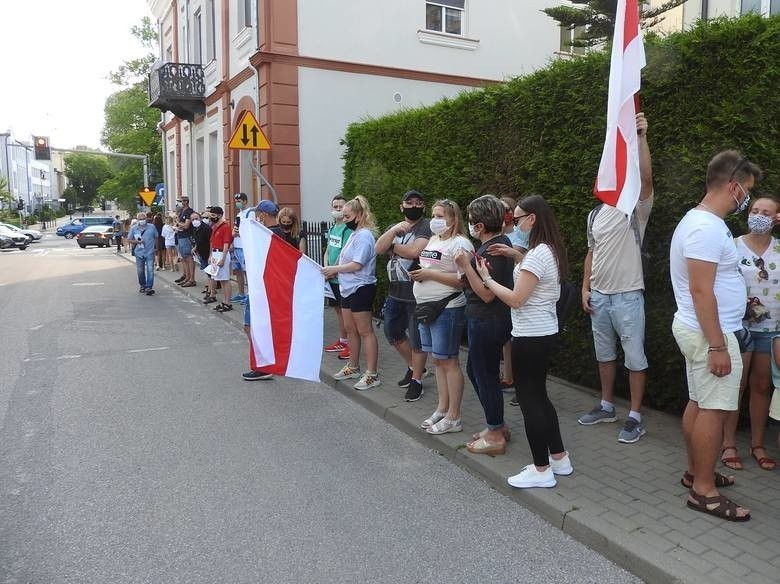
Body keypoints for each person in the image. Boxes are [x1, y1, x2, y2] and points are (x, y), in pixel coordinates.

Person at [670, 149, 761, 522]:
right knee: (713, 409)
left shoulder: (702, 221)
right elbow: (700, 290)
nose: (748, 199)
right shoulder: (705, 227)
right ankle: (703, 491)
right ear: (734, 186)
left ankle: (696, 472)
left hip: (702, 330)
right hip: (711, 333)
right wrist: (719, 345)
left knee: (698, 402)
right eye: (748, 191)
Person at [475, 194, 572, 488]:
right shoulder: (546, 250)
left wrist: (487, 279)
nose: (513, 224)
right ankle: (559, 457)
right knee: (540, 396)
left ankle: (541, 470)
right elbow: (535, 274)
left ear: (532, 219)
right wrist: (515, 256)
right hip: (541, 333)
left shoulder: (539, 253)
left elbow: (517, 299)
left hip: (530, 336)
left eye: (516, 219)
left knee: (531, 402)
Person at [578, 112, 653, 444]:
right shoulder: (594, 214)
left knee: (634, 357)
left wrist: (640, 137)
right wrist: (585, 287)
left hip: (627, 295)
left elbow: (647, 181)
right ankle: (607, 405)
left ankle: (635, 416)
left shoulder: (634, 209)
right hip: (600, 297)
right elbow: (591, 252)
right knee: (604, 354)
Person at [720, 196, 780, 471]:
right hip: (739, 329)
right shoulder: (732, 247)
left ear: (775, 218)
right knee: (736, 386)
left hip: (771, 331)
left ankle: (757, 445)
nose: (758, 215)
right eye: (755, 210)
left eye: (766, 212)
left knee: (761, 387)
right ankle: (728, 444)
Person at [454, 195, 514, 454]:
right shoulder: (497, 244)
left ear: (479, 226)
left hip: (487, 320)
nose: (469, 225)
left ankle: (495, 435)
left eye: (471, 221)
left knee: (485, 375)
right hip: (486, 319)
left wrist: (466, 266)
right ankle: (496, 425)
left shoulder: (493, 249)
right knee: (476, 371)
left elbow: (488, 293)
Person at [412, 199, 473, 433]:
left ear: (453, 218)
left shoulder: (461, 243)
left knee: (448, 361)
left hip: (447, 308)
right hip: (427, 307)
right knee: (437, 360)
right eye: (434, 215)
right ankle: (442, 408)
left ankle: (454, 417)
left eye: (441, 216)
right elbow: (431, 267)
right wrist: (421, 274)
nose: (435, 220)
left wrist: (428, 274)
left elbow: (462, 279)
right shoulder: (434, 239)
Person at [374, 190, 432, 401]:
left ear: (423, 207)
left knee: (417, 339)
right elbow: (378, 248)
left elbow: (416, 251)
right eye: (409, 202)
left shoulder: (426, 226)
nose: (414, 205)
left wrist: (393, 244)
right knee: (392, 332)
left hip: (416, 293)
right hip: (395, 293)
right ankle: (414, 367)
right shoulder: (395, 227)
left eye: (419, 202)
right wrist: (392, 234)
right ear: (402, 206)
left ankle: (417, 380)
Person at [323, 196, 381, 390]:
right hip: (347, 287)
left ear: (359, 215)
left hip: (361, 287)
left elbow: (358, 264)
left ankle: (372, 373)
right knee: (350, 329)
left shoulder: (364, 235)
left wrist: (335, 269)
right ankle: (353, 366)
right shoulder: (355, 234)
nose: (345, 219)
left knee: (365, 331)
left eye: (347, 216)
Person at [242, 200, 286, 381]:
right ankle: (263, 362)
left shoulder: (269, 234)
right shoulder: (275, 233)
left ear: (263, 215)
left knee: (253, 326)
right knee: (251, 326)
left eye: (258, 214)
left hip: (262, 288)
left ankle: (264, 365)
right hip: (260, 287)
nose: (256, 217)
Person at [323, 195, 353, 359]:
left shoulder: (347, 229)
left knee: (346, 313)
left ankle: (351, 343)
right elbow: (328, 249)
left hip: (341, 277)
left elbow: (344, 253)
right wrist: (326, 267)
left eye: (341, 207)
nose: (338, 209)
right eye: (335, 206)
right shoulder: (333, 228)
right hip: (332, 277)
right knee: (338, 311)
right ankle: (343, 340)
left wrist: (333, 270)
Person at [205, 206, 233, 312]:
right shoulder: (215, 227)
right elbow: (212, 242)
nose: (211, 218)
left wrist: (223, 258)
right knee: (220, 279)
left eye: (213, 215)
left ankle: (228, 302)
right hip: (216, 253)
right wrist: (211, 255)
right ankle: (224, 301)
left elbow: (226, 244)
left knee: (225, 279)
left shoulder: (225, 227)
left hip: (222, 253)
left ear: (219, 215)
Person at [127, 212, 159, 296]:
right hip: (139, 253)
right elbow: (129, 239)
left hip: (150, 252)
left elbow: (156, 237)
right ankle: (142, 285)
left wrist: (156, 247)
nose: (142, 220)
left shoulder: (152, 227)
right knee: (140, 271)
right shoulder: (134, 228)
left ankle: (149, 287)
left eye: (143, 219)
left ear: (146, 219)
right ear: (137, 220)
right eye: (140, 219)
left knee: (150, 270)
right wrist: (136, 241)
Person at [230, 193, 248, 305]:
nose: (237, 202)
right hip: (236, 245)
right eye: (236, 200)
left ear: (245, 201)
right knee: (238, 271)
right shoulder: (239, 214)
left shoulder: (249, 213)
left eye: (239, 200)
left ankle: (249, 295)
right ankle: (241, 293)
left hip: (243, 246)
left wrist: (238, 233)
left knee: (246, 272)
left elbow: (248, 229)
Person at [175, 196, 196, 288]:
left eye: (180, 201)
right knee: (183, 258)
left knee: (188, 257)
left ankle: (191, 279)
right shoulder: (181, 212)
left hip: (186, 237)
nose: (178, 203)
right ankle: (187, 277)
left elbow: (186, 225)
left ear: (185, 202)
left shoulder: (188, 212)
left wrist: (178, 223)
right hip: (180, 236)